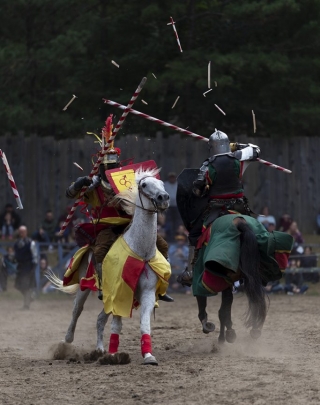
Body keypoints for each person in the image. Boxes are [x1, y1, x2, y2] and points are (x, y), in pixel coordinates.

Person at [65, 114, 172, 302]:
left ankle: (159, 284)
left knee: (162, 244)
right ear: (101, 162)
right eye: (108, 158)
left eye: (114, 158)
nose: (111, 161)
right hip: (107, 227)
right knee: (100, 250)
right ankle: (102, 284)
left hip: (131, 224)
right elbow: (70, 194)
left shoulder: (128, 180)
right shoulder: (94, 186)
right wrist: (78, 184)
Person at [178, 129, 260, 286]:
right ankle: (261, 267)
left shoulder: (208, 166)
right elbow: (256, 150)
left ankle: (190, 271)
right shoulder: (239, 158)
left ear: (211, 148)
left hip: (216, 209)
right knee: (256, 231)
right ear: (228, 145)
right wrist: (236, 147)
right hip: (240, 207)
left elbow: (197, 191)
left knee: (195, 235)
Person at [14, 226, 38, 309]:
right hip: (20, 267)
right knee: (18, 285)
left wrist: (33, 267)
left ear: (26, 232)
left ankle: (26, 305)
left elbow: (35, 256)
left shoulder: (31, 243)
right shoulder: (17, 243)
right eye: (20, 232)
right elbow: (16, 255)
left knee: (26, 286)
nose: (21, 233)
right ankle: (30, 297)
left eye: (23, 232)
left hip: (28, 267)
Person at [163, 172, 182, 242]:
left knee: (177, 222)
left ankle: (177, 236)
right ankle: (169, 237)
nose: (172, 179)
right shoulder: (165, 185)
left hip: (177, 206)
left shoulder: (178, 184)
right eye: (170, 177)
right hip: (168, 206)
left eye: (173, 177)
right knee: (169, 222)